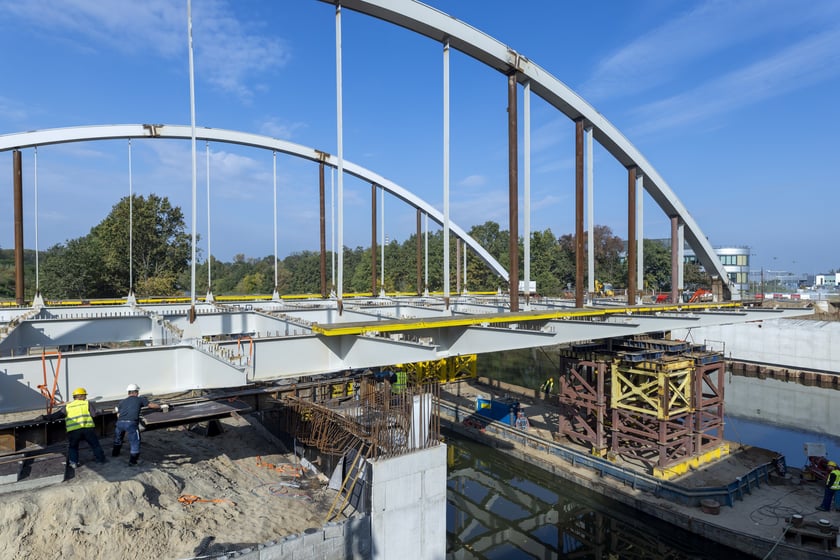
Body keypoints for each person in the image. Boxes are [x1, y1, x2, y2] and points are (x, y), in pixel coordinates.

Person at [112, 383, 166, 466]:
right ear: (136, 392)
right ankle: (133, 462)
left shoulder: (122, 402)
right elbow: (151, 405)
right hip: (131, 424)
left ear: (128, 392)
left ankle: (115, 454)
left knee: (118, 439)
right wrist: (160, 406)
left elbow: (118, 414)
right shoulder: (139, 399)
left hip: (119, 423)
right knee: (135, 442)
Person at [63, 387, 107, 468]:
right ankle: (100, 459)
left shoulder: (68, 406)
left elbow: (59, 414)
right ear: (80, 396)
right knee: (95, 445)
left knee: (73, 447)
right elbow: (94, 414)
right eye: (84, 395)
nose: (85, 397)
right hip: (87, 429)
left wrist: (45, 417)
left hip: (74, 431)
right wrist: (100, 411)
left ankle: (73, 463)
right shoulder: (86, 403)